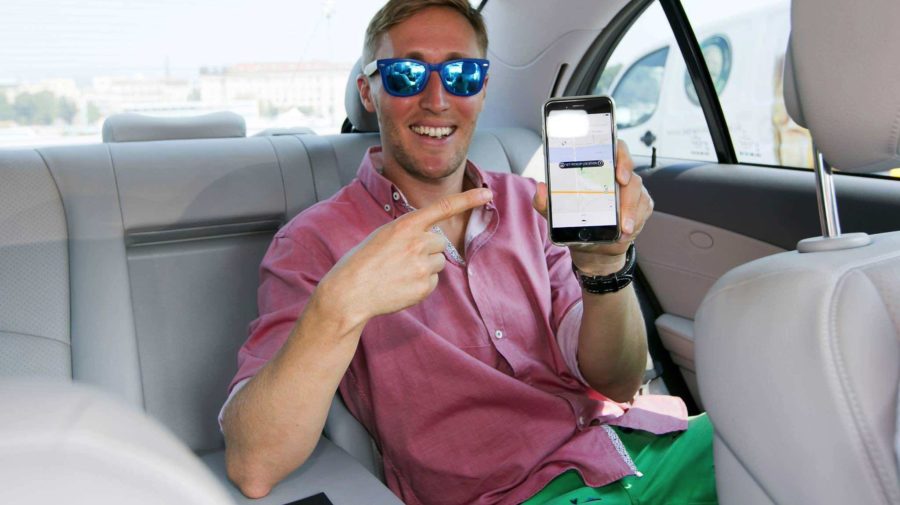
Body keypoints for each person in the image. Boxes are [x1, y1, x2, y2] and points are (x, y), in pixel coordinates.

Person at [221, 1, 716, 504]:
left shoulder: (532, 204)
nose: (437, 100)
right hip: (518, 494)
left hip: (637, 448)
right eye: (406, 74)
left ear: (482, 89)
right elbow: (253, 464)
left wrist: (605, 270)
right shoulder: (315, 241)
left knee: (763, 428)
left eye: (462, 75)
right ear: (368, 91)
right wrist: (340, 305)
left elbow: (617, 383)